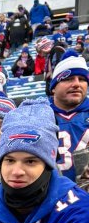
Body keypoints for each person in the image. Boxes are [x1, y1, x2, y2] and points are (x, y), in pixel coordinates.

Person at [47, 51, 89, 181]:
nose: (76, 84)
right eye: (69, 79)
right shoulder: (37, 115)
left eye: (82, 79)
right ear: (53, 87)